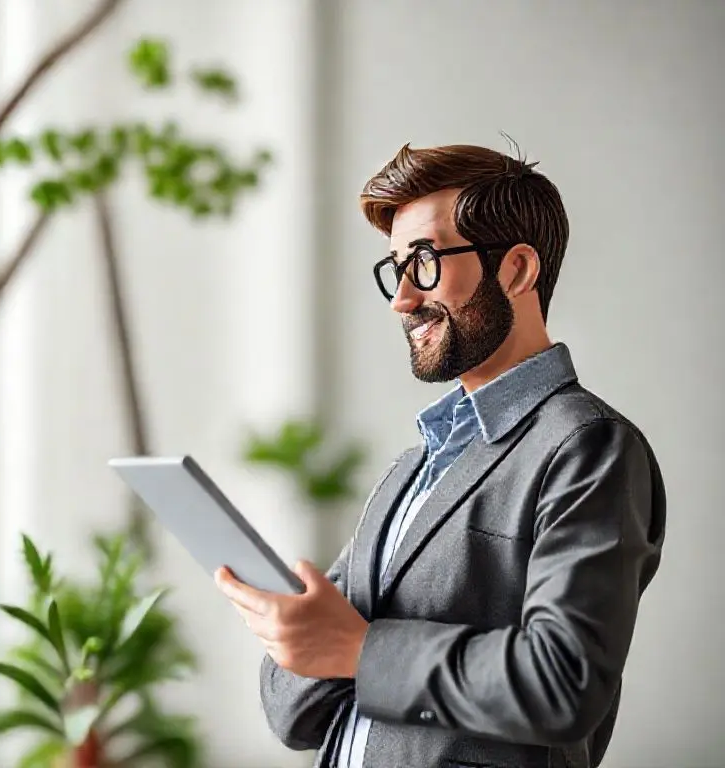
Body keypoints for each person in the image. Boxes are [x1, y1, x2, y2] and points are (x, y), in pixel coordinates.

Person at [214, 142, 666, 768]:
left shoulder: (587, 446)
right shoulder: (412, 468)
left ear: (516, 270)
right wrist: (303, 635)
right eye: (395, 268)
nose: (402, 298)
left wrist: (359, 652)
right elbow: (291, 712)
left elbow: (563, 681)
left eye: (424, 261)